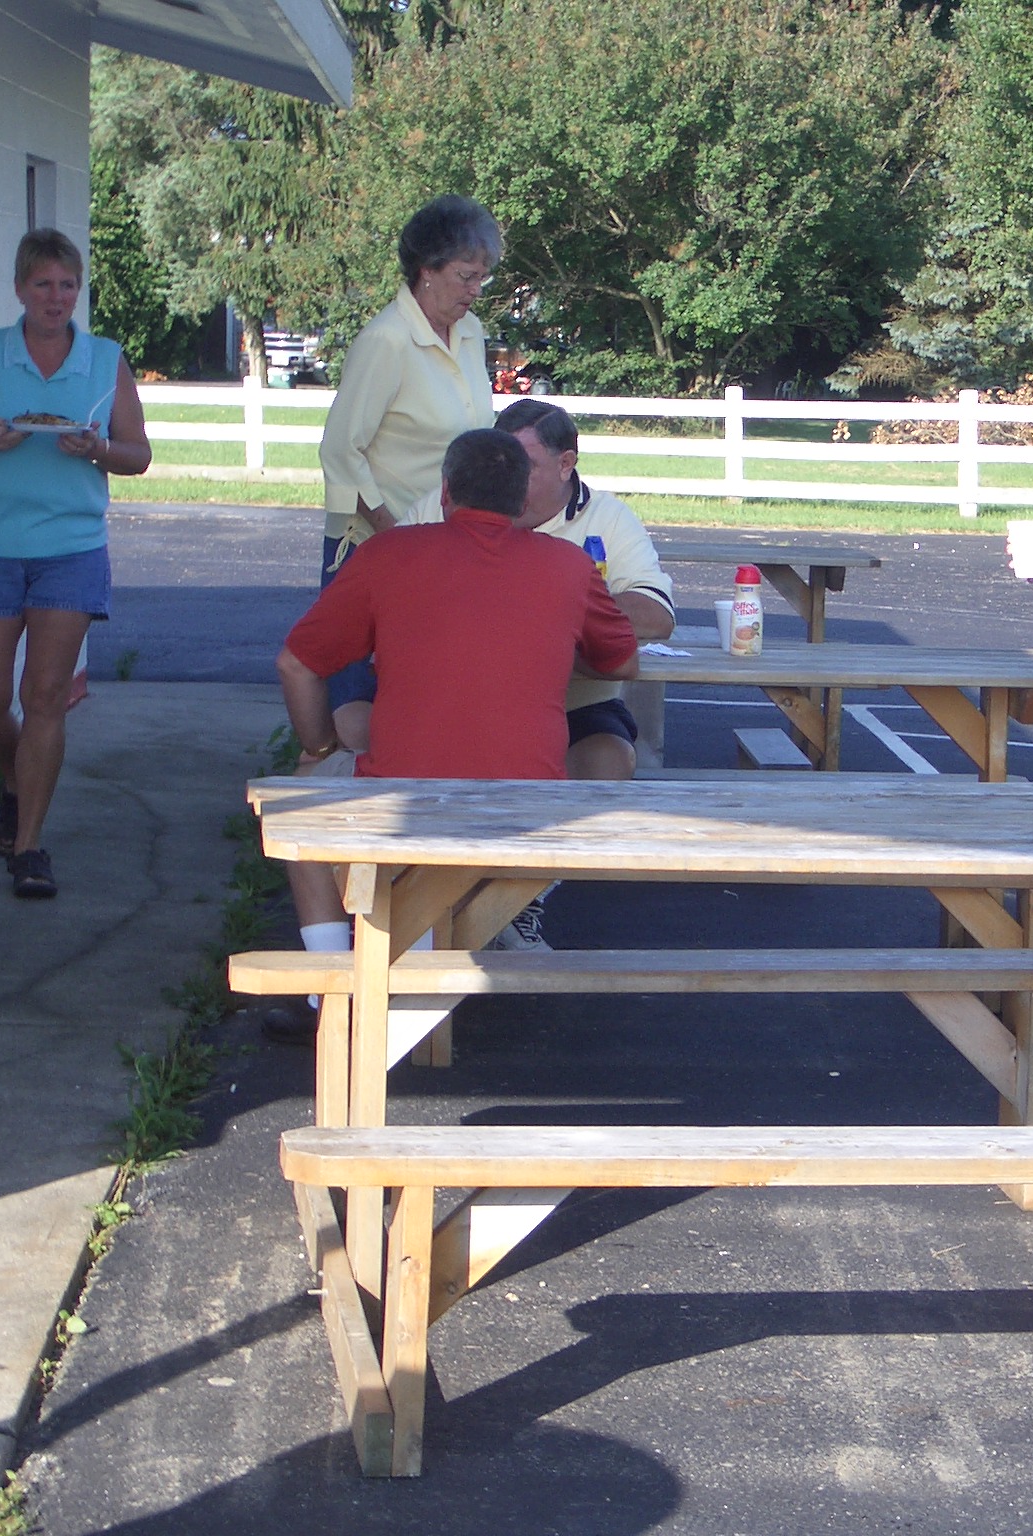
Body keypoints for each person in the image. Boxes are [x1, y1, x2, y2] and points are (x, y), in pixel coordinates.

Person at [261, 429, 639, 1041]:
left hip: (405, 803)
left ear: (444, 491)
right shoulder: (570, 565)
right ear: (522, 500)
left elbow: (296, 665)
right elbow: (623, 661)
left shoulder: (387, 555)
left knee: (300, 797)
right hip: (530, 811)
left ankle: (327, 990)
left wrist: (320, 747)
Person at [396, 399, 677, 948]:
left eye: (521, 462)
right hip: (458, 698)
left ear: (567, 464)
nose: (504, 474)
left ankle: (518, 897)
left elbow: (656, 613)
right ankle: (438, 903)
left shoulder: (609, 518)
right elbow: (388, 579)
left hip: (571, 702)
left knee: (608, 761)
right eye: (497, 457)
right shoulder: (448, 500)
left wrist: (543, 619)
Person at [0, 228, 152, 899]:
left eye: (67, 285)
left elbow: (138, 454)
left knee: (46, 697)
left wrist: (96, 449)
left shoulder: (104, 358)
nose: (56, 298)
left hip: (69, 550)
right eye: (43, 285)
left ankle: (29, 847)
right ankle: (16, 776)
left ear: (77, 290)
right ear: (20, 289)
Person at [313, 195, 502, 757]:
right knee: (359, 713)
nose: (476, 290)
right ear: (427, 270)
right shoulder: (386, 340)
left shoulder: (471, 334)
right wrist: (391, 534)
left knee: (430, 701)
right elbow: (340, 450)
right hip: (376, 546)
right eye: (466, 276)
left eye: (483, 278)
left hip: (449, 548)